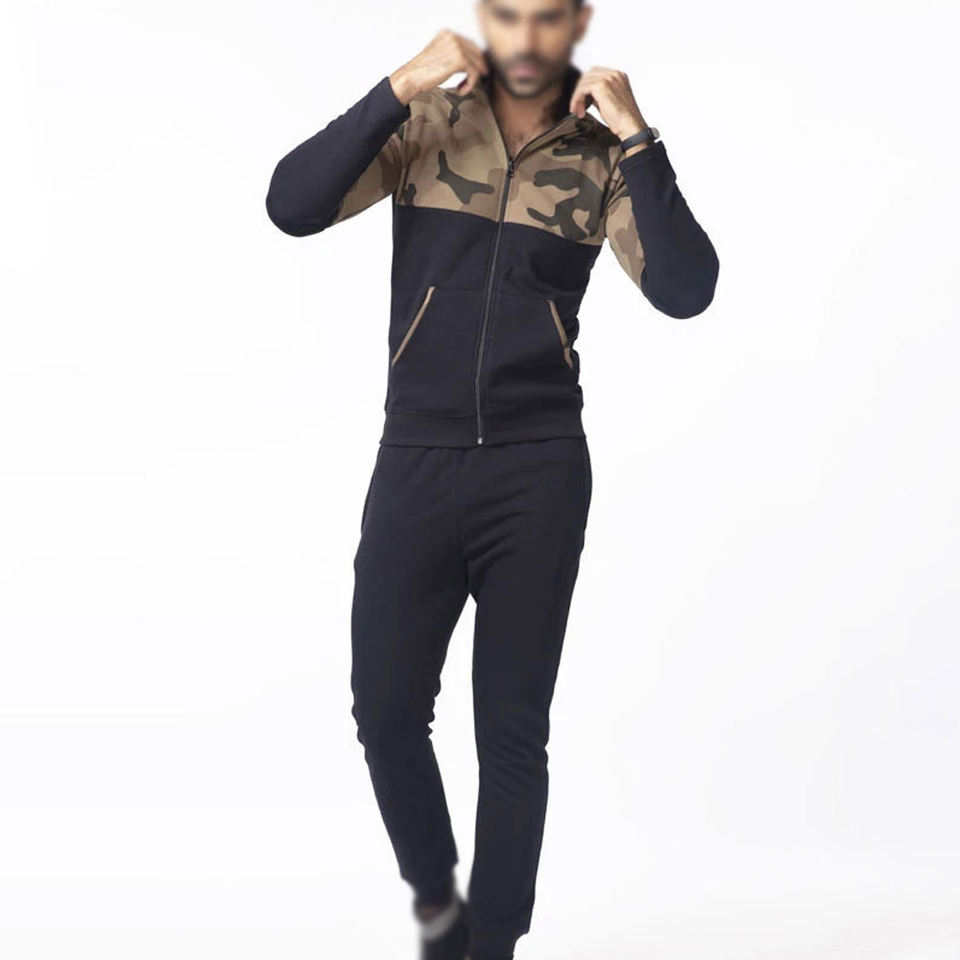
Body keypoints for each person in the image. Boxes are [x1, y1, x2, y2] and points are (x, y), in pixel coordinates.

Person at [265, 1, 719, 956]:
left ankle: (493, 945)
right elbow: (292, 205)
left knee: (511, 732)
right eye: (507, 14)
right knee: (386, 712)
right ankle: (438, 901)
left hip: (537, 471)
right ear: (485, 18)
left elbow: (685, 291)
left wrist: (640, 138)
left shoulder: (600, 157)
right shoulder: (428, 124)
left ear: (576, 21)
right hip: (417, 460)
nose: (527, 36)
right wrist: (399, 85)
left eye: (547, 17)